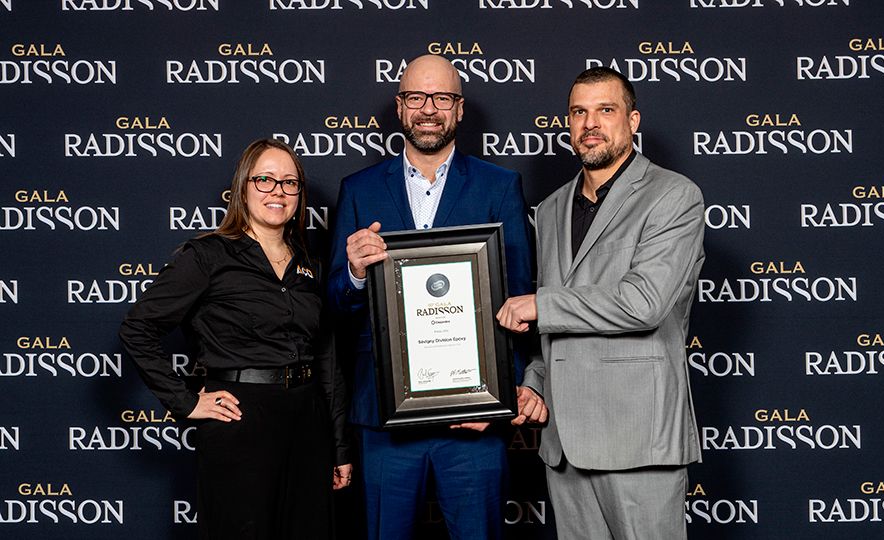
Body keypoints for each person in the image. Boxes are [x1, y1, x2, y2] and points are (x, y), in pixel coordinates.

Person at [327, 54, 534, 540]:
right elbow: (335, 306)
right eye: (416, 97)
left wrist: (502, 397)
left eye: (442, 98)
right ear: (400, 108)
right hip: (383, 415)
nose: (429, 109)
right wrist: (355, 271)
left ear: (459, 109)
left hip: (473, 417)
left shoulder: (500, 186)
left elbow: (521, 300)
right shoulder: (357, 190)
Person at [497, 67, 706, 540]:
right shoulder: (550, 209)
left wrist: (541, 305)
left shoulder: (673, 197)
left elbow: (644, 302)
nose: (590, 123)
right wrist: (535, 383)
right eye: (579, 112)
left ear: (633, 121)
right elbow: (553, 329)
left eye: (605, 110)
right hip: (565, 444)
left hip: (638, 439)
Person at [119, 138, 351, 540]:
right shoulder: (208, 256)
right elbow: (137, 328)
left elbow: (327, 359)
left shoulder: (310, 264)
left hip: (307, 420)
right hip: (241, 420)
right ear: (243, 187)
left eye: (289, 182)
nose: (278, 191)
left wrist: (339, 446)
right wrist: (186, 401)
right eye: (265, 179)